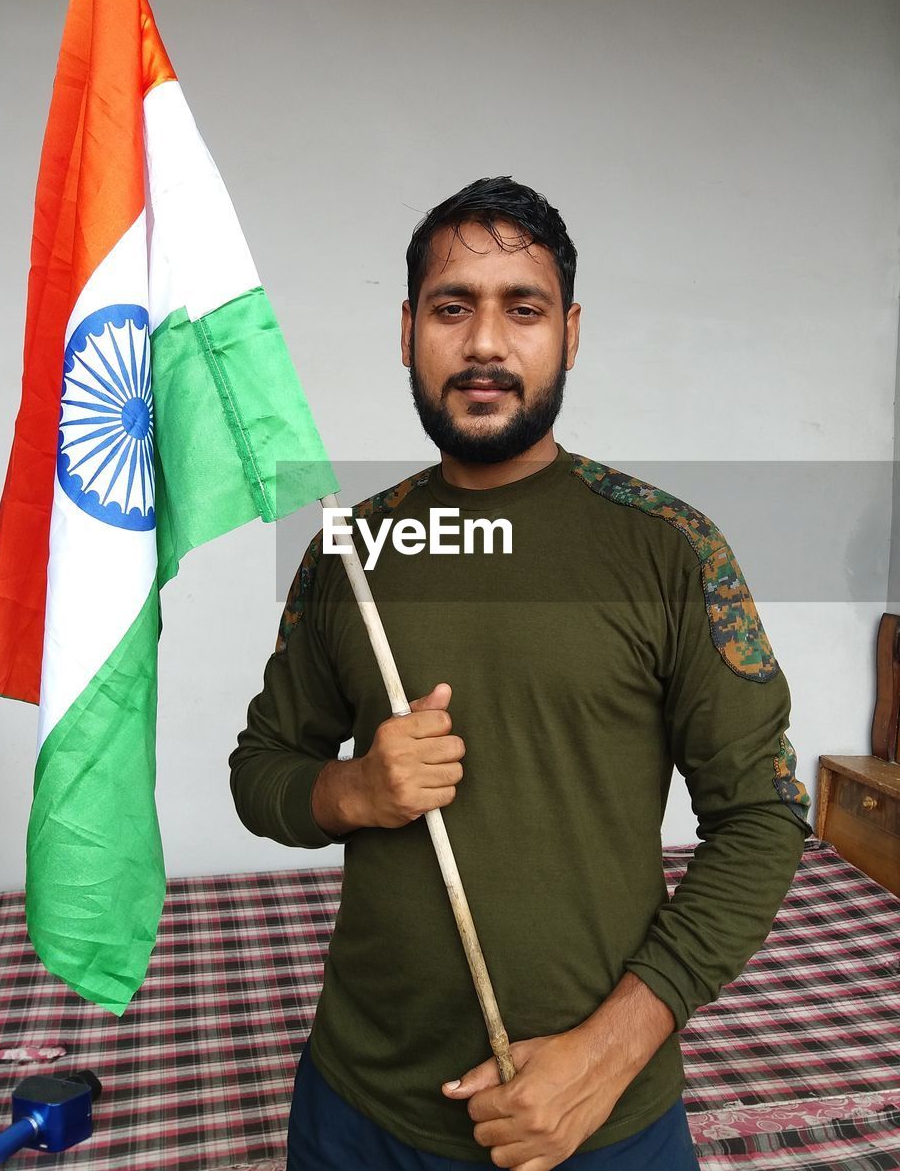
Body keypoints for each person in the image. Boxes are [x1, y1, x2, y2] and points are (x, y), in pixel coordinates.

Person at [229, 176, 811, 1171]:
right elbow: (261, 771)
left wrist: (607, 1049)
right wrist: (354, 787)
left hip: (599, 1116)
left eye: (522, 308)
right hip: (358, 1108)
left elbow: (762, 816)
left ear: (571, 332)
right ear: (409, 328)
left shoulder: (669, 549)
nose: (486, 342)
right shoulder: (350, 552)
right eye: (453, 307)